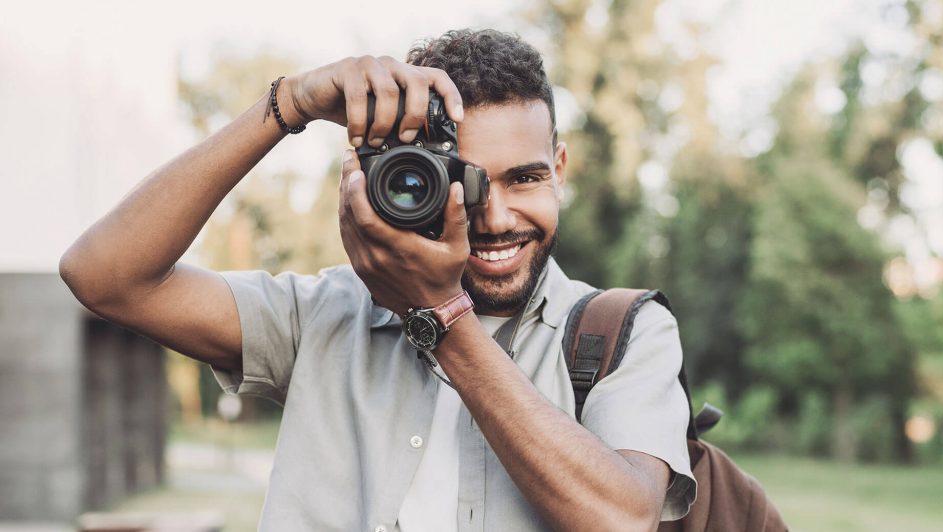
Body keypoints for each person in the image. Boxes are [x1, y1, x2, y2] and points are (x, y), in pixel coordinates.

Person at [60, 29, 695, 531]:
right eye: (466, 183)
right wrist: (290, 104)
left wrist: (441, 314)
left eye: (524, 178)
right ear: (398, 178)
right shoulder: (323, 316)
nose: (497, 218)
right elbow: (106, 277)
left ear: (559, 167)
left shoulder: (624, 331)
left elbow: (619, 519)